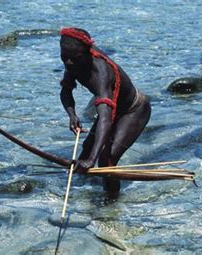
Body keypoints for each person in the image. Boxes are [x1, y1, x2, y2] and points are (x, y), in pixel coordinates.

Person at [59, 27, 151, 197]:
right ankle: (78, 194)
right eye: (64, 58)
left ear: (87, 53)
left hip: (134, 110)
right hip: (113, 109)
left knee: (106, 161)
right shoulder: (73, 60)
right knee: (86, 148)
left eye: (74, 59)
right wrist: (72, 115)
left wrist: (91, 161)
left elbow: (105, 118)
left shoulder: (101, 71)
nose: (69, 64)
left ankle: (111, 205)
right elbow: (66, 91)